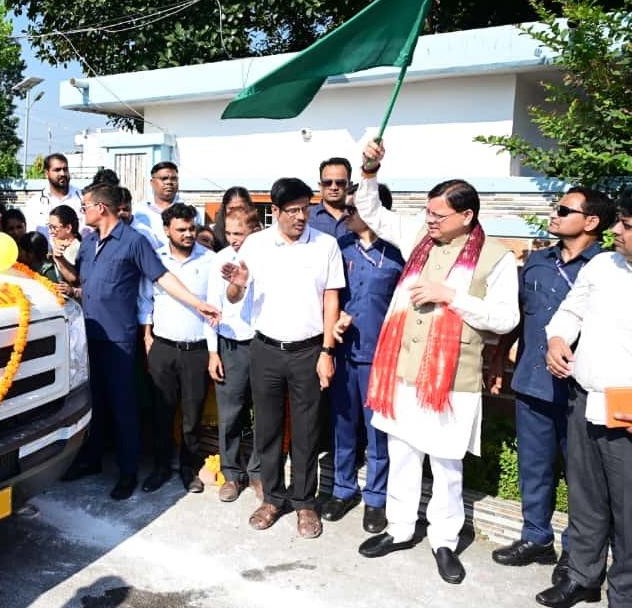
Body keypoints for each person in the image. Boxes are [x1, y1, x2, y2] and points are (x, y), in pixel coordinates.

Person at [353, 140, 519, 586]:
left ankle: (444, 540)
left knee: (446, 465)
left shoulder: (497, 257)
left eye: (438, 215)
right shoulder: (420, 241)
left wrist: (451, 296)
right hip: (403, 372)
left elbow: (506, 318)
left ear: (466, 216)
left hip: (451, 380)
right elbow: (372, 211)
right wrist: (369, 172)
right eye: (427, 213)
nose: (429, 221)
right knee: (402, 455)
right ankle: (399, 528)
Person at [56, 184, 220, 501]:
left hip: (120, 340)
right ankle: (91, 460)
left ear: (101, 208)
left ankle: (128, 472)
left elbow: (162, 277)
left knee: (123, 408)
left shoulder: (134, 242)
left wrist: (197, 303)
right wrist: (60, 263)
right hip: (90, 337)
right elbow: (81, 282)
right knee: (95, 404)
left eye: (85, 205)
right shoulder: (88, 242)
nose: (82, 211)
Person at [489, 188, 615, 584]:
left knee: (582, 479)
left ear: (591, 221)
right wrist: (500, 357)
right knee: (534, 467)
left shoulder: (607, 269)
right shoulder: (538, 261)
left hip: (581, 391)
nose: (554, 214)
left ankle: (578, 553)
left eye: (563, 209)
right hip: (532, 382)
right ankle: (536, 538)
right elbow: (520, 314)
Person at [221, 177, 344, 540]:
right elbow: (233, 297)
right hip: (265, 350)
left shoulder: (325, 245)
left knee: (307, 430)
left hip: (309, 350)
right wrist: (237, 283)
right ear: (274, 211)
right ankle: (273, 498)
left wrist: (327, 351)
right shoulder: (256, 245)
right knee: (268, 428)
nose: (301, 217)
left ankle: (305, 503)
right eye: (292, 210)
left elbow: (331, 300)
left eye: (305, 209)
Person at [535, 189, 632, 608]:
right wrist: (557, 339)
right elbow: (570, 311)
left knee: (628, 512)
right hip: (585, 400)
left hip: (626, 413)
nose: (617, 231)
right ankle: (582, 576)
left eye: (627, 225)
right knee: (585, 498)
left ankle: (624, 594)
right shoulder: (604, 265)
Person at [322, 182, 404, 534]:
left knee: (377, 432)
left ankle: (376, 498)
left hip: (382, 357)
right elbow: (327, 296)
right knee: (343, 426)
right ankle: (342, 489)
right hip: (343, 353)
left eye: (353, 209)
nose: (346, 214)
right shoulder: (340, 249)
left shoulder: (399, 254)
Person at [139, 203, 216, 494]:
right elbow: (145, 300)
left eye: (191, 228)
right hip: (163, 348)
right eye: (181, 229)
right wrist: (147, 337)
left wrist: (212, 351)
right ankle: (161, 467)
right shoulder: (156, 260)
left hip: (197, 350)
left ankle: (188, 468)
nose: (188, 234)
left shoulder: (209, 260)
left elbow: (214, 309)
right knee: (162, 412)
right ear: (166, 230)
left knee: (192, 415)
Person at [206, 206, 263, 503]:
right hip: (230, 345)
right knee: (230, 414)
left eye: (239, 233)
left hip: (264, 344)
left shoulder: (268, 258)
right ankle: (231, 474)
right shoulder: (220, 259)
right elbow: (211, 308)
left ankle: (258, 472)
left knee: (264, 413)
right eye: (228, 233)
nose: (233, 239)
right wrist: (213, 352)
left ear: (254, 230)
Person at [133, 161, 203, 249]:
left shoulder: (190, 211)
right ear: (152, 182)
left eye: (173, 179)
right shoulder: (138, 211)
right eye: (164, 178)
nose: (169, 182)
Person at [24, 153, 84, 239]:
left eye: (65, 169)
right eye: (57, 170)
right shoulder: (34, 203)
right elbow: (30, 234)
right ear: (46, 173)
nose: (62, 173)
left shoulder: (82, 198)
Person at [308, 157, 353, 239]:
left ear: (350, 185)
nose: (333, 187)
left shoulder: (362, 218)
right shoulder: (307, 217)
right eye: (327, 183)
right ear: (320, 186)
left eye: (340, 182)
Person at [212, 186, 253, 251]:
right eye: (231, 208)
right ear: (224, 208)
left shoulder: (258, 231)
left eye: (240, 208)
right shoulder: (212, 232)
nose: (236, 212)